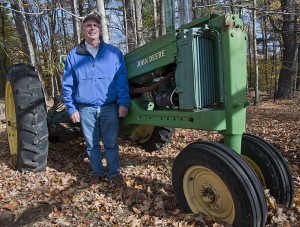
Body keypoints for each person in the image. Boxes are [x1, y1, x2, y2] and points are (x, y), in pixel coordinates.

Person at [62, 12, 130, 186]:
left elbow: (121, 78)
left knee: (111, 143)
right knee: (92, 144)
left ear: (100, 30)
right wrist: (71, 108)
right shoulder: (74, 56)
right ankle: (97, 173)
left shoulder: (113, 53)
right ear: (83, 30)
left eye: (95, 25)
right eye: (88, 25)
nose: (92, 28)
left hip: (109, 106)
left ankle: (114, 174)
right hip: (86, 108)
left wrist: (123, 102)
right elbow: (68, 84)